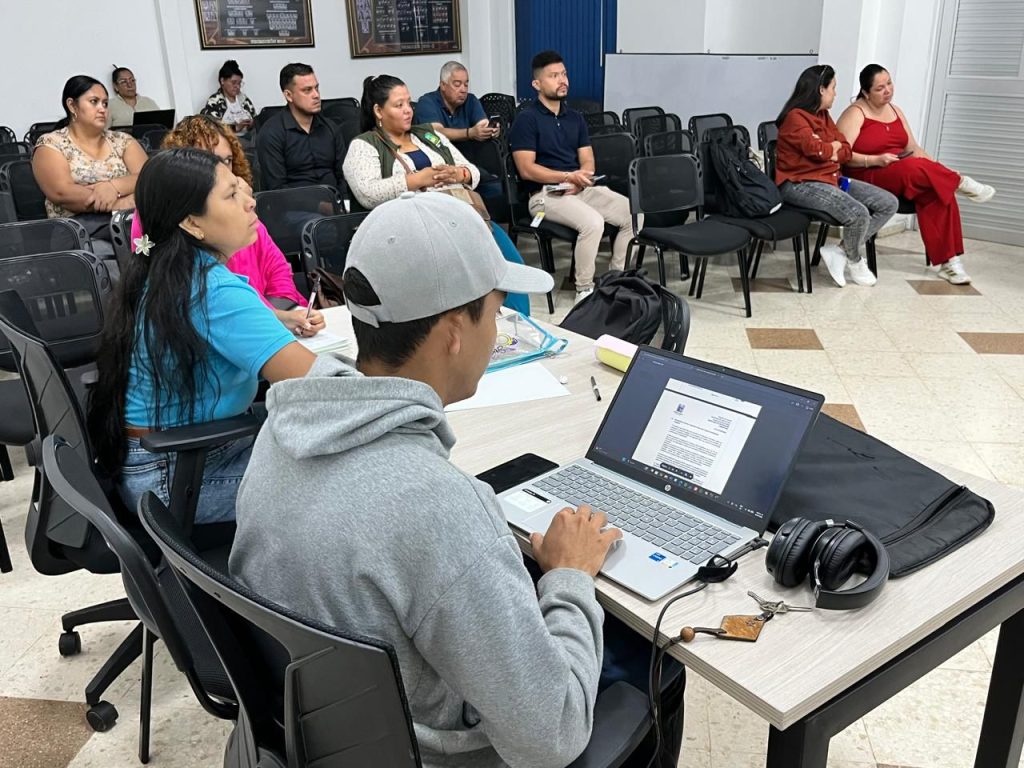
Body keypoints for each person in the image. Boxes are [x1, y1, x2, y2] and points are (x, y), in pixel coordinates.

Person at [230, 192, 685, 768]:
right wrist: (568, 578)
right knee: (654, 658)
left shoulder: (283, 429)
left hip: (329, 736)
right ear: (452, 331)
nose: (497, 331)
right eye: (495, 313)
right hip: (437, 753)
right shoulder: (439, 507)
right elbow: (553, 737)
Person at [87, 148, 317, 524]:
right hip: (183, 473)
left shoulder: (166, 272)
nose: (249, 201)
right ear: (192, 223)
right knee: (349, 476)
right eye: (230, 195)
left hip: (160, 460)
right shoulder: (211, 290)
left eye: (242, 189)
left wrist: (274, 319)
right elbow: (321, 383)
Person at [343, 74, 532, 316]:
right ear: (379, 111)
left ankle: (520, 324)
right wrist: (415, 181)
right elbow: (367, 194)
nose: (408, 111)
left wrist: (458, 174)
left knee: (508, 262)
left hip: (461, 215)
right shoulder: (365, 145)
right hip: (415, 228)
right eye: (398, 105)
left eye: (409, 103)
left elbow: (472, 170)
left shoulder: (428, 135)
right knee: (471, 276)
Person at [129, 115, 324, 336]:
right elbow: (212, 299)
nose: (223, 170)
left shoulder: (242, 209)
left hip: (264, 319)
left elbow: (278, 270)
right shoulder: (163, 218)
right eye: (209, 159)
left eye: (227, 160)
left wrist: (280, 317)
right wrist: (273, 320)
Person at [837, 64, 995, 285]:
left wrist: (940, 170)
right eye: (880, 88)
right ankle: (960, 182)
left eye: (889, 83)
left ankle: (949, 262)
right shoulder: (855, 113)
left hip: (901, 173)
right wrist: (875, 159)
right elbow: (842, 155)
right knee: (911, 167)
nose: (888, 91)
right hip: (866, 173)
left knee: (938, 191)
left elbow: (913, 148)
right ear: (865, 92)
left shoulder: (895, 110)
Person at [509, 50, 633, 304]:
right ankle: (584, 290)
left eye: (563, 74)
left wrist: (580, 178)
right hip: (543, 195)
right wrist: (568, 176)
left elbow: (587, 160)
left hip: (578, 188)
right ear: (537, 84)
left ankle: (617, 280)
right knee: (594, 223)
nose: (562, 80)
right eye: (553, 76)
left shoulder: (575, 118)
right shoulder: (527, 120)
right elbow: (527, 169)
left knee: (633, 214)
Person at [775, 64, 898, 288]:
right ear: (821, 90)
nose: (835, 93)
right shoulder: (795, 118)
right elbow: (817, 150)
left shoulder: (823, 115)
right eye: (833, 88)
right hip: (800, 184)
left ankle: (840, 250)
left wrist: (830, 149)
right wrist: (829, 149)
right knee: (858, 213)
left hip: (830, 179)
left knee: (888, 203)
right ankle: (854, 259)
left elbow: (845, 150)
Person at [33, 75, 147, 251]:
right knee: (112, 257)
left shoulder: (122, 140)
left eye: (105, 103)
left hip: (131, 219)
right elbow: (63, 193)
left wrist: (113, 186)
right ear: (72, 105)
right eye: (94, 102)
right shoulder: (51, 143)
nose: (102, 109)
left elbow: (149, 178)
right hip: (77, 229)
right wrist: (119, 204)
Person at [256, 63, 345, 191]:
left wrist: (344, 205)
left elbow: (342, 176)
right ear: (288, 95)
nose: (316, 95)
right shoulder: (271, 133)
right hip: (293, 207)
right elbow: (277, 188)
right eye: (307, 90)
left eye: (316, 88)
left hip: (335, 203)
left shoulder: (330, 128)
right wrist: (319, 205)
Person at [414, 61, 499, 145]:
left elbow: (483, 125)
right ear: (443, 85)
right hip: (439, 154)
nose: (463, 90)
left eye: (466, 85)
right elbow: (436, 133)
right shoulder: (427, 102)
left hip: (469, 155)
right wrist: (469, 133)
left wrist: (490, 131)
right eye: (457, 85)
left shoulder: (471, 100)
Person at [201, 60, 257, 136]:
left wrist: (251, 124)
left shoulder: (244, 99)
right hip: (230, 141)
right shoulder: (215, 101)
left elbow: (256, 120)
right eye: (233, 82)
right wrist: (235, 127)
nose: (237, 86)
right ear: (222, 81)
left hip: (250, 137)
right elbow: (211, 128)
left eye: (239, 83)